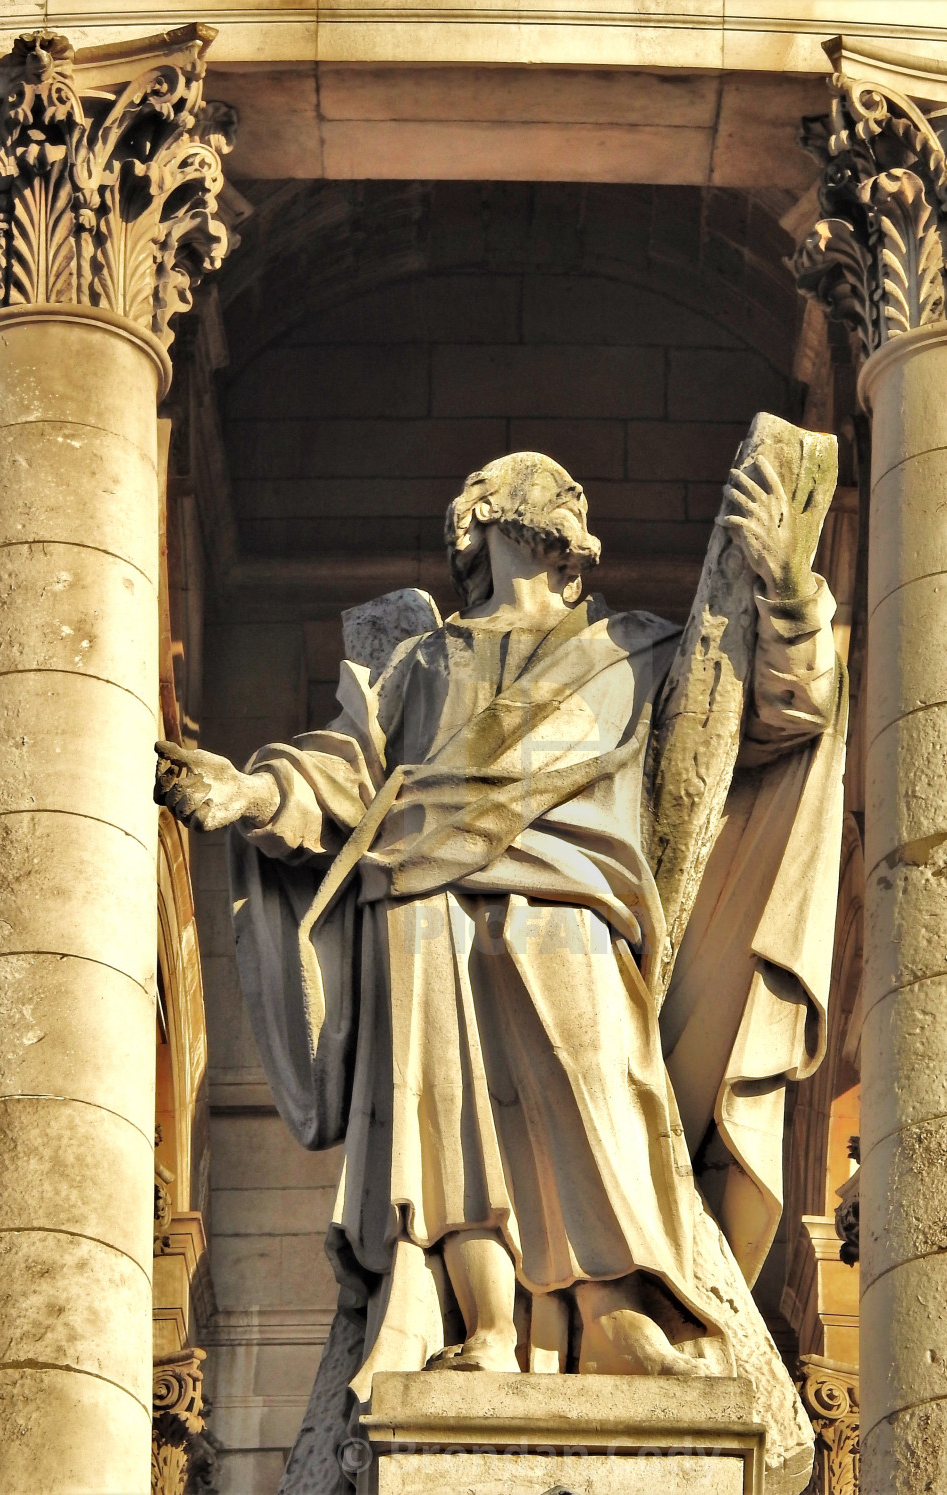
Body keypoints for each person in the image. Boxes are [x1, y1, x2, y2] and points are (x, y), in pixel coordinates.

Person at [155, 448, 844, 1481]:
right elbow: (347, 770)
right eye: (539, 484)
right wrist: (251, 795)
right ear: (479, 521)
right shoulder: (423, 662)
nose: (563, 498)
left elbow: (778, 711)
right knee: (447, 1129)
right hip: (422, 902)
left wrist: (782, 582)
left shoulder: (634, 646)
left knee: (603, 1098)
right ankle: (480, 1324)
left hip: (576, 901)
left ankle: (618, 1310)